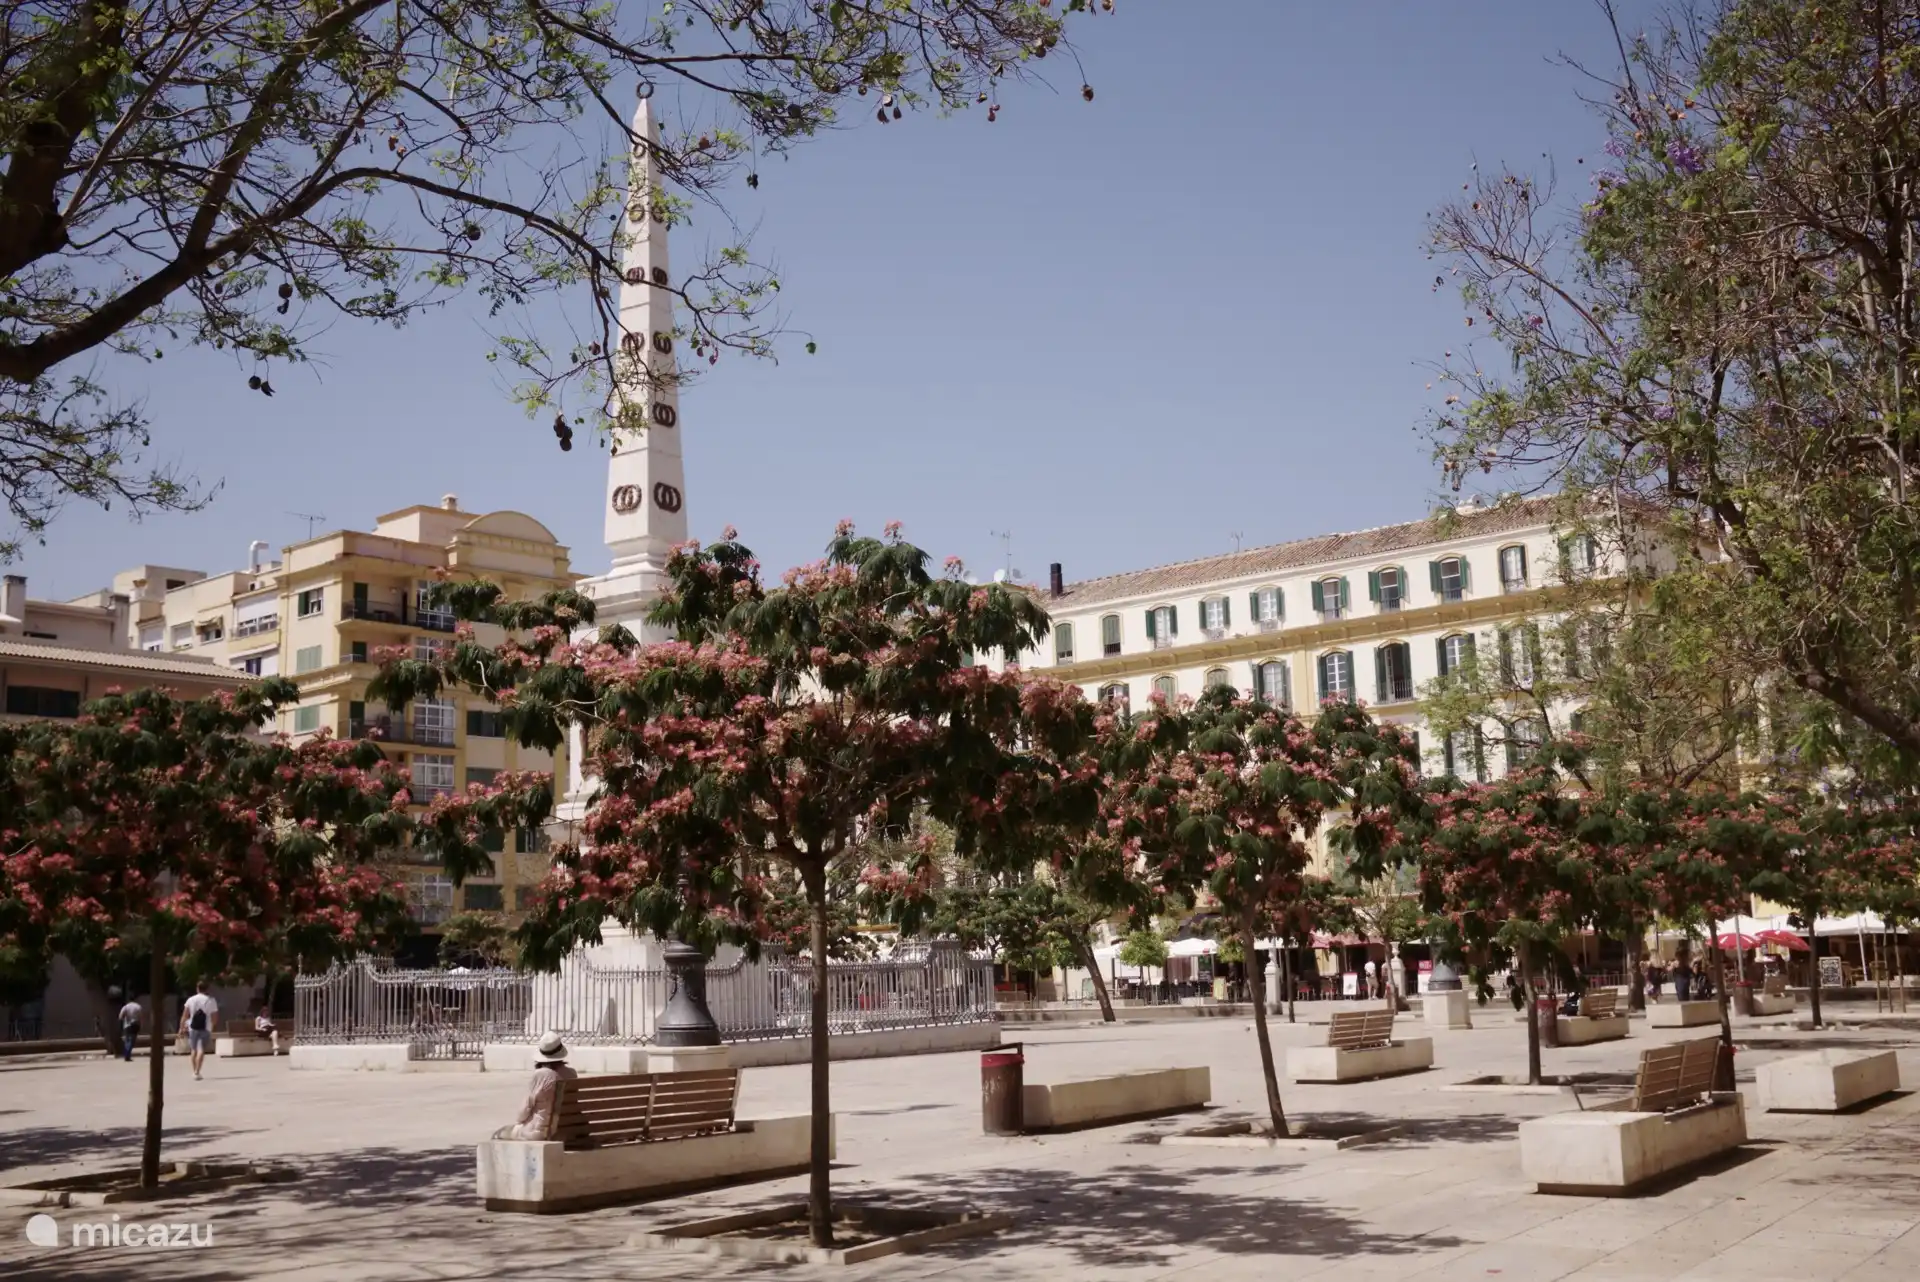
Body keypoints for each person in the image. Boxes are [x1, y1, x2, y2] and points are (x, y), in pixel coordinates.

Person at [494, 1032, 577, 1140]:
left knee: (499, 1134)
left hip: (540, 1132)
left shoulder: (541, 1075)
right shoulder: (571, 1073)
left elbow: (523, 1112)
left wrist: (520, 1122)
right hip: (564, 1130)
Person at [179, 980, 219, 1080]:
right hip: (206, 1028)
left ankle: (195, 1072)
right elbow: (214, 1017)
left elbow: (185, 1015)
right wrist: (213, 1026)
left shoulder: (191, 1000)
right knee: (201, 1050)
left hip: (192, 1028)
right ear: (207, 989)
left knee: (193, 1050)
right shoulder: (211, 1000)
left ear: (197, 988)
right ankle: (197, 1071)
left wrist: (181, 1028)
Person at [118, 993, 143, 1062]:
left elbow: (120, 1016)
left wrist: (126, 1019)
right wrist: (141, 1025)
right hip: (135, 1025)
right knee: (132, 1041)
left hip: (127, 1026)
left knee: (127, 1040)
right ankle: (127, 1055)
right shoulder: (138, 1006)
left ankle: (126, 1055)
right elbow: (141, 1017)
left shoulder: (126, 1007)